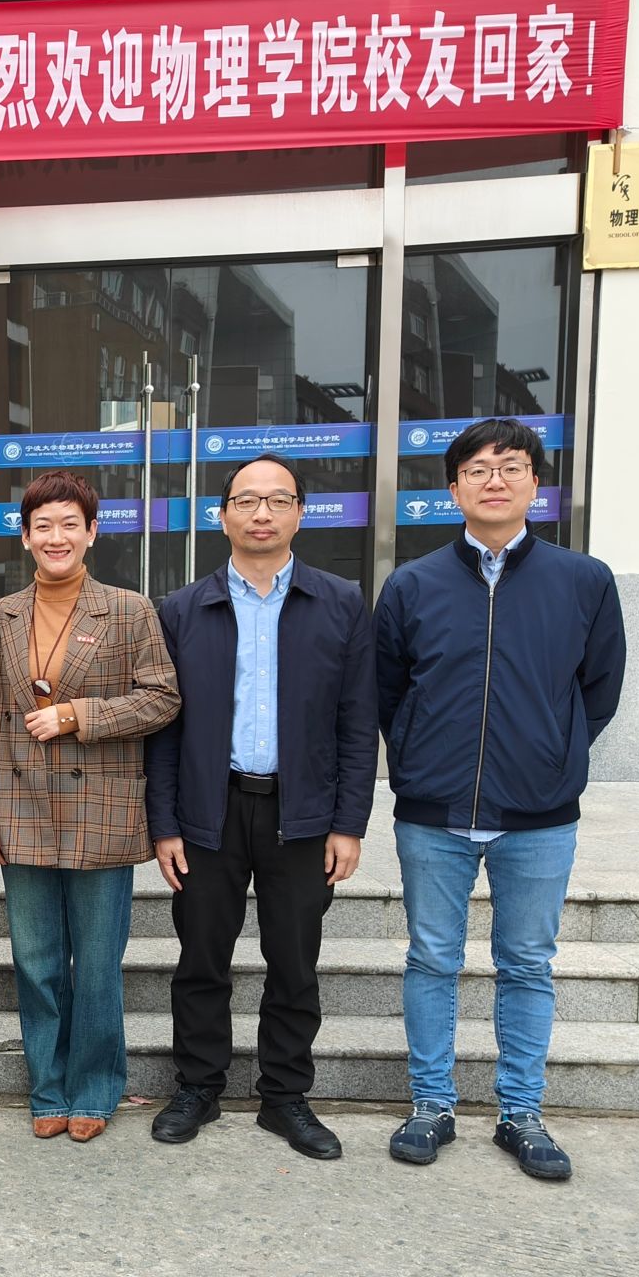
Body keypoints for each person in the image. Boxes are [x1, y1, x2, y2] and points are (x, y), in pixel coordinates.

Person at [376, 418, 625, 1181]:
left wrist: (553, 754)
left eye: (510, 467)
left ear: (535, 485)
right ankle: (431, 1104)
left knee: (527, 963)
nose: (494, 480)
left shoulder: (583, 580)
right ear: (453, 489)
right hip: (435, 812)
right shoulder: (412, 584)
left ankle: (522, 1113)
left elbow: (599, 689)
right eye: (478, 469)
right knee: (432, 958)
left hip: (539, 817)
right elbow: (388, 691)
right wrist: (418, 755)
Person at [145, 453, 377, 1160]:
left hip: (301, 814)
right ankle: (198, 1087)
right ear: (223, 517)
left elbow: (357, 721)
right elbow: (164, 727)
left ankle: (285, 1097)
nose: (262, 513)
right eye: (247, 500)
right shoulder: (182, 609)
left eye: (278, 500)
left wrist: (349, 824)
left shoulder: (340, 602)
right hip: (208, 812)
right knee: (201, 959)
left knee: (294, 963)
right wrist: (165, 824)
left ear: (300, 513)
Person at [0, 473, 179, 1142]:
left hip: (101, 808)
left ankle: (94, 1087)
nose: (55, 537)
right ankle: (47, 1088)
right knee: (35, 963)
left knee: (95, 966)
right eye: (43, 525)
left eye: (69, 524)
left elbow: (163, 698)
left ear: (92, 532)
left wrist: (77, 715)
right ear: (24, 536)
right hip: (22, 807)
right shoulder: (1, 616)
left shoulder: (128, 610)